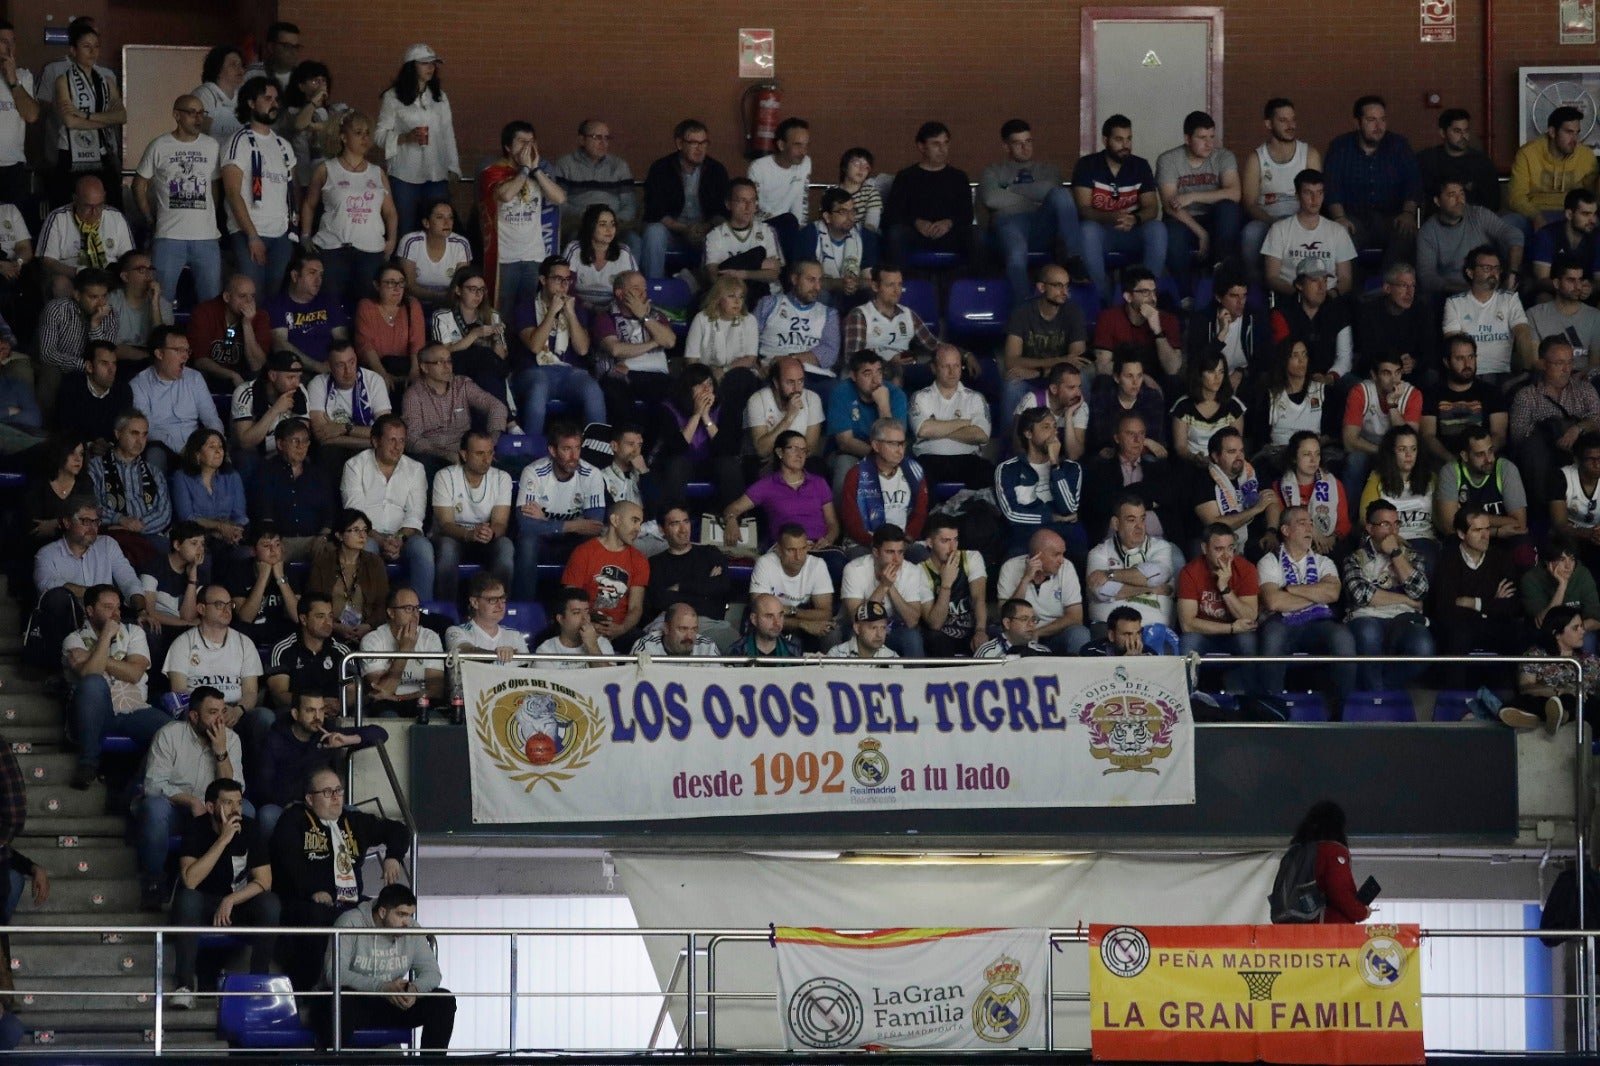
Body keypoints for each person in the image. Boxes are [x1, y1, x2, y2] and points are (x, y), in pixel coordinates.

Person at [268, 764, 409, 991]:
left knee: (391, 913)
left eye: (338, 790)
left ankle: (387, 985)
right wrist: (312, 890)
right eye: (327, 792)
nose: (335, 797)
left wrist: (393, 856)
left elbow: (399, 830)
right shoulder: (294, 819)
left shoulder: (354, 821)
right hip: (306, 900)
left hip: (350, 900)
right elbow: (287, 862)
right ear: (310, 799)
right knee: (317, 917)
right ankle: (308, 989)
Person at [169, 777, 279, 1008]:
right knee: (188, 899)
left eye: (238, 803)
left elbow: (265, 881)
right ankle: (185, 985)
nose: (235, 810)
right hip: (203, 903)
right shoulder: (196, 828)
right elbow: (190, 880)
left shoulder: (250, 827)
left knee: (270, 903)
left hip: (236, 903)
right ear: (211, 807)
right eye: (228, 803)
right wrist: (222, 840)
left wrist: (230, 900)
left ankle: (258, 982)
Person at [138, 687, 245, 910]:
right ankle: (154, 882)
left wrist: (221, 752)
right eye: (212, 713)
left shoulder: (231, 740)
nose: (220, 720)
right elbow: (153, 785)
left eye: (222, 712)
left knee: (248, 811)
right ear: (194, 716)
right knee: (154, 809)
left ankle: (231, 883)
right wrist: (192, 801)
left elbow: (234, 790)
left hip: (213, 813)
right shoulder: (170, 734)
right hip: (176, 809)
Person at [322, 883, 456, 1051]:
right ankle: (336, 1061)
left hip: (392, 1002)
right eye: (401, 914)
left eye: (410, 915)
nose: (407, 922)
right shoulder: (350, 922)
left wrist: (414, 990)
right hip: (357, 1002)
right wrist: (382, 987)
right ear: (383, 912)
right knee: (343, 999)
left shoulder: (412, 929)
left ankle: (431, 1063)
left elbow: (432, 973)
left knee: (443, 1000)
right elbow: (334, 974)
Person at [63, 584, 166, 790]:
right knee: (93, 683)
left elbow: (134, 674)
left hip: (134, 710)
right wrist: (105, 637)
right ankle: (88, 764)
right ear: (90, 611)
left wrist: (94, 657)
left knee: (173, 731)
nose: (116, 613)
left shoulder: (133, 632)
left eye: (118, 607)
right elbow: (90, 674)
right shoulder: (73, 639)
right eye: (108, 607)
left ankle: (138, 788)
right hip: (95, 716)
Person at [1255, 507, 1357, 713]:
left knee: (1342, 637)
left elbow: (1332, 594)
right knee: (1273, 637)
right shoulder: (1269, 561)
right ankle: (1272, 710)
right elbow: (1273, 602)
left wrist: (1290, 589)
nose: (1310, 528)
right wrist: (1314, 594)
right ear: (1285, 530)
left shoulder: (1323, 561)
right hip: (1280, 622)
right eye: (1302, 523)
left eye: (1311, 523)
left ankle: (1341, 712)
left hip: (1317, 623)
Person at [30, 498, 147, 670]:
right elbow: (48, 587)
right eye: (85, 521)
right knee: (57, 597)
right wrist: (97, 596)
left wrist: (142, 610)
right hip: (70, 622)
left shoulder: (107, 545)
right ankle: (58, 671)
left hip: (105, 619)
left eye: (96, 522)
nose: (92, 528)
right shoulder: (47, 554)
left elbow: (129, 581)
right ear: (67, 522)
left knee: (149, 626)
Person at [302, 111, 398, 311]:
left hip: (370, 250)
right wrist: (305, 235)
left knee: (365, 307)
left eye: (367, 133)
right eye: (358, 133)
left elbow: (390, 211)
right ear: (343, 137)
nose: (365, 138)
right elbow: (309, 204)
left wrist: (391, 239)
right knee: (331, 306)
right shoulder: (326, 169)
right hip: (333, 248)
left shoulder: (377, 172)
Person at [257, 690, 387, 836]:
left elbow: (380, 733)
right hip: (287, 806)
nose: (317, 717)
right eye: (310, 710)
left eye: (321, 710)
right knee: (268, 814)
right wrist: (293, 805)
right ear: (295, 714)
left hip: (323, 805)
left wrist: (347, 740)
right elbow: (264, 787)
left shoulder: (327, 733)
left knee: (353, 812)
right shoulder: (275, 739)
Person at [980, 118, 1082, 300]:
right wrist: (1034, 198)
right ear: (1006, 147)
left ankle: (1074, 258)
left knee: (1062, 195)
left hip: (1041, 226)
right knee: (1016, 252)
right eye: (1018, 143)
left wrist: (1008, 189)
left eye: (1028, 142)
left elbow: (1053, 193)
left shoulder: (1048, 170)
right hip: (1009, 225)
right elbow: (991, 199)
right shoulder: (992, 171)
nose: (1025, 148)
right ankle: (1025, 309)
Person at [134, 93, 222, 302]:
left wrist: (212, 216)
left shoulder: (212, 146)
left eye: (201, 113)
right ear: (176, 115)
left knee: (211, 302)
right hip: (168, 235)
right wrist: (148, 217)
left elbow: (215, 186)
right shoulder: (159, 145)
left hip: (206, 236)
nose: (198, 118)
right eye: (192, 113)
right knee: (161, 300)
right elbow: (139, 184)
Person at [1342, 499, 1435, 689]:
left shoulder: (1412, 556)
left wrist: (1395, 553)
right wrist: (1407, 600)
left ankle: (1381, 692)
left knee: (1423, 646)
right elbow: (1361, 595)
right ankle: (1377, 696)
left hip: (1403, 618)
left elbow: (1420, 590)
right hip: (1366, 617)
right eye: (1385, 524)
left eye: (1396, 523)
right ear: (1370, 528)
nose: (1393, 531)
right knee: (1369, 634)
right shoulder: (1355, 558)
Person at [1072, 114, 1166, 301]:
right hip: (1102, 232)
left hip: (1132, 230)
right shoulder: (1087, 164)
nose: (1125, 145)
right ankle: (1104, 299)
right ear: (1105, 140)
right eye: (1119, 139)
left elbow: (1152, 208)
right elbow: (1083, 208)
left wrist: (1135, 218)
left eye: (1129, 139)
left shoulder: (1140, 165)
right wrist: (1112, 217)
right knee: (1087, 230)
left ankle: (1147, 294)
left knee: (1157, 228)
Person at [511, 258, 605, 440]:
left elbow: (583, 349)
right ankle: (531, 449)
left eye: (567, 280)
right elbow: (535, 346)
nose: (563, 285)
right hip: (533, 371)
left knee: (593, 389)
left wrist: (570, 314)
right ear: (543, 280)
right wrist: (552, 312)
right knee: (538, 388)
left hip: (569, 372)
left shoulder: (575, 307)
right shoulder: (526, 307)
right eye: (557, 279)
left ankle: (596, 449)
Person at [479, 119, 565, 319]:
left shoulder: (538, 172)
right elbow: (505, 195)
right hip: (505, 257)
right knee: (502, 313)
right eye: (522, 142)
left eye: (531, 142)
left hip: (534, 256)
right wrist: (524, 170)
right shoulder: (492, 172)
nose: (528, 147)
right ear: (508, 147)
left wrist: (535, 171)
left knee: (530, 313)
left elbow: (559, 198)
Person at [1322, 95, 1423, 263]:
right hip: (1353, 218)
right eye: (1371, 120)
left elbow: (1413, 182)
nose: (1379, 126)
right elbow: (1332, 186)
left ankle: (1391, 279)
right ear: (1357, 123)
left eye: (1383, 120)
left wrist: (1408, 213)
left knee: (1407, 234)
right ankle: (1350, 280)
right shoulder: (1340, 147)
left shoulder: (1398, 145)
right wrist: (1339, 218)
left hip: (1392, 217)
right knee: (1342, 237)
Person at [340, 415, 433, 598]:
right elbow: (355, 515)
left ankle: (422, 610)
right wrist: (382, 541)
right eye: (392, 440)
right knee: (365, 547)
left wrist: (398, 539)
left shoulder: (415, 469)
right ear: (375, 441)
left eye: (402, 441)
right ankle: (366, 608)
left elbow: (415, 515)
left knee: (423, 548)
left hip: (403, 538)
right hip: (368, 535)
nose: (397, 447)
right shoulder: (355, 466)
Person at [221, 78, 296, 296]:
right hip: (249, 232)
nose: (274, 104)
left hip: (280, 234)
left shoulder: (283, 145)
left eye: (276, 99)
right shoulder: (239, 141)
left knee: (274, 297)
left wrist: (293, 229)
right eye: (267, 98)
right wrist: (252, 236)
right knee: (251, 295)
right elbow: (233, 193)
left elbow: (292, 190)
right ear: (251, 103)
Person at [513, 423, 605, 600]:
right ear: (553, 451)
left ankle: (582, 605)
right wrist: (574, 525)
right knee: (527, 541)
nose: (574, 456)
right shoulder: (534, 472)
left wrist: (544, 521)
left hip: (573, 544)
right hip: (542, 543)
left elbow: (594, 527)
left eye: (577, 448)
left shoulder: (592, 474)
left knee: (593, 543)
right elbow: (525, 525)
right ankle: (524, 607)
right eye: (567, 449)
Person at [375, 45, 461, 232]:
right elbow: (379, 135)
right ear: (411, 66)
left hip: (436, 172)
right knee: (404, 226)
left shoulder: (440, 97)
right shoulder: (393, 97)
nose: (430, 67)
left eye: (433, 64)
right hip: (404, 174)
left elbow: (448, 133)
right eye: (424, 63)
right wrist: (404, 137)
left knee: (437, 226)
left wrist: (453, 166)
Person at [1239, 97, 1323, 286]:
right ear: (1268, 124)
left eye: (1293, 119)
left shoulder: (1309, 154)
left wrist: (1294, 224)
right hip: (1267, 221)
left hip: (1301, 219)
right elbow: (1250, 203)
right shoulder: (1256, 158)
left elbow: (1316, 196)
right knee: (1251, 233)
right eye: (1283, 120)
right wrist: (1274, 224)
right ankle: (1255, 289)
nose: (1290, 125)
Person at [1510, 337, 1600, 505]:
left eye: (1570, 362)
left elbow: (1597, 417)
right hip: (1545, 457)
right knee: (1533, 447)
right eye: (1559, 363)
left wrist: (1577, 428)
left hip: (1583, 453)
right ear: (1543, 364)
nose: (1566, 369)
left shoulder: (1584, 389)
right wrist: (1549, 429)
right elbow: (1518, 436)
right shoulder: (1527, 396)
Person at [1156, 110, 1241, 287]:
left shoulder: (1224, 156)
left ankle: (1220, 274)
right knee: (1172, 232)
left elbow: (1234, 193)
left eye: (1211, 137)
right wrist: (1201, 233)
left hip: (1214, 218)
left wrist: (1193, 196)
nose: (1209, 144)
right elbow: (1170, 205)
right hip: (1183, 221)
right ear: (1187, 139)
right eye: (1202, 138)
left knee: (1229, 209)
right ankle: (1185, 294)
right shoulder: (1168, 159)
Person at [1001, 264, 1089, 433]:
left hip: (1055, 377)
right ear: (1042, 287)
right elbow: (1011, 361)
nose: (1064, 291)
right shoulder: (1022, 313)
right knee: (1012, 384)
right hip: (1029, 377)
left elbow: (1077, 361)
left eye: (1066, 286)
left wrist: (1040, 372)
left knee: (1083, 378)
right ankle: (1010, 445)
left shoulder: (1074, 312)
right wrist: (1060, 360)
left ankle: (1080, 440)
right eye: (1058, 286)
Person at [1432, 506, 1529, 658]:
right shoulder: (1447, 560)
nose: (1485, 536)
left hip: (1494, 627)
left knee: (1517, 634)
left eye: (1487, 529)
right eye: (1477, 530)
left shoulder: (1501, 558)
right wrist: (1492, 603)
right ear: (1461, 534)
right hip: (1459, 630)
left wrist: (1473, 603)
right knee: (1456, 635)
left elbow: (1512, 606)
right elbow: (1446, 608)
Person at [430, 430, 513, 606]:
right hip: (452, 537)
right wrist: (469, 534)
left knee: (505, 546)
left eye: (490, 453)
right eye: (480, 453)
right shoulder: (445, 476)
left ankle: (498, 607)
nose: (487, 459)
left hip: (485, 540)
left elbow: (500, 523)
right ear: (464, 454)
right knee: (447, 548)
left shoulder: (501, 478)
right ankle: (446, 609)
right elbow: (445, 524)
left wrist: (490, 533)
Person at [640, 118, 729, 278]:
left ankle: (713, 287)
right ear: (680, 144)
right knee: (654, 232)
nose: (700, 148)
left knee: (725, 231)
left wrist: (706, 227)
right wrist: (684, 229)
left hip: (704, 231)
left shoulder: (716, 170)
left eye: (704, 143)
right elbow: (654, 210)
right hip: (672, 231)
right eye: (694, 143)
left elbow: (722, 210)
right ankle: (655, 286)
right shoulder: (661, 168)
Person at [1177, 522, 1261, 691]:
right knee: (1188, 642)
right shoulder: (1190, 572)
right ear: (1204, 548)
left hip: (1236, 635)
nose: (1226, 556)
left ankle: (1252, 700)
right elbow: (1187, 624)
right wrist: (1231, 628)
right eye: (1219, 549)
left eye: (1230, 548)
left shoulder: (1246, 569)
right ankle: (1187, 700)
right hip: (1205, 634)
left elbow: (1250, 617)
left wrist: (1224, 588)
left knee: (1247, 641)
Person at [49, 22, 124, 208]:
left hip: (102, 152)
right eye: (86, 46)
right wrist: (105, 121)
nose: (93, 52)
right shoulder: (63, 81)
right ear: (73, 50)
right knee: (68, 208)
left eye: (96, 46)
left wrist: (84, 115)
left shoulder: (107, 81)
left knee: (110, 207)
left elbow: (122, 117)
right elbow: (70, 121)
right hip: (70, 154)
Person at [402, 342, 507, 472]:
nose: (447, 367)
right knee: (423, 465)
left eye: (449, 361)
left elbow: (496, 406)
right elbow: (412, 438)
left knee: (503, 465)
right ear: (424, 367)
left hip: (466, 453)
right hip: (434, 455)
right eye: (440, 362)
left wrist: (490, 442)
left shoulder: (462, 385)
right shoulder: (414, 395)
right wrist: (445, 454)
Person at [994, 406, 1084, 556]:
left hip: (1063, 534)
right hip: (1025, 535)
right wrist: (1052, 517)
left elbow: (1068, 509)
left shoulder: (1070, 468)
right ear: (1028, 433)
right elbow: (1012, 514)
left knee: (1078, 550)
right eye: (1046, 427)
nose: (1053, 433)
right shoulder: (1007, 469)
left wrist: (1055, 465)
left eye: (1055, 427)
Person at [561, 501, 649, 648]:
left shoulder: (639, 559)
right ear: (615, 520)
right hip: (584, 625)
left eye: (640, 523)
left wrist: (621, 629)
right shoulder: (583, 552)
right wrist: (588, 624)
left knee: (645, 645)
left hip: (620, 629)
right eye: (634, 521)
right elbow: (571, 599)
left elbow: (635, 607)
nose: (638, 529)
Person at [89, 409, 172, 567]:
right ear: (118, 434)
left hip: (148, 534)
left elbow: (164, 513)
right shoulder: (96, 467)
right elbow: (91, 506)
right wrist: (119, 519)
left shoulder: (153, 472)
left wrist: (135, 526)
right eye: (134, 433)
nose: (140, 441)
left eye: (144, 435)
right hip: (110, 534)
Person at [1415, 179, 1524, 297]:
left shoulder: (1478, 215)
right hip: (1453, 295)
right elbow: (1427, 276)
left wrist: (1512, 272)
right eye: (1452, 195)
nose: (1459, 200)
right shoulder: (1427, 233)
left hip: (1492, 288)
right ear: (1437, 201)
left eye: (1461, 193)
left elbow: (1513, 235)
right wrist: (1471, 290)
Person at [1342, 352, 1423, 511]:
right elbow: (1349, 441)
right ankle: (1349, 519)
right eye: (1387, 373)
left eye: (1397, 372)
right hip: (1368, 447)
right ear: (1374, 375)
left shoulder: (1412, 394)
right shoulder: (1360, 392)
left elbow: (1410, 439)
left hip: (1398, 450)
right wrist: (1383, 451)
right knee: (1354, 461)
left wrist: (1392, 405)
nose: (1394, 379)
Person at [1085, 495, 1180, 630]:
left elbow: (1157, 576)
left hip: (1154, 627)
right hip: (1110, 629)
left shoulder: (1162, 547)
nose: (1139, 526)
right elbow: (1102, 591)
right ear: (1116, 523)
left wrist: (1110, 574)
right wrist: (1151, 589)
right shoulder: (1098, 552)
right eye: (1131, 520)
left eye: (1142, 519)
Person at [1441, 245, 1534, 381]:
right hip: (1469, 374)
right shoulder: (1455, 303)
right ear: (1470, 273)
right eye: (1487, 268)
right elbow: (1453, 344)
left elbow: (1522, 332)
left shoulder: (1510, 299)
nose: (1493, 273)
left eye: (1496, 268)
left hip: (1503, 373)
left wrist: (1528, 370)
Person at [1082, 412, 1179, 541]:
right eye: (1130, 434)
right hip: (1114, 540)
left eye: (1141, 433)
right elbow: (1103, 506)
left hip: (1154, 539)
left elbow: (1169, 502)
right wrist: (1148, 500)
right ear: (1117, 438)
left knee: (1177, 554)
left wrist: (1124, 496)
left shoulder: (1158, 467)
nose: (1137, 440)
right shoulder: (1101, 468)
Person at [656, 364, 741, 508]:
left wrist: (706, 417)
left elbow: (726, 449)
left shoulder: (723, 408)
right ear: (688, 388)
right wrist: (696, 415)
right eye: (700, 385)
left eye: (709, 383)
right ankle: (674, 517)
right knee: (676, 465)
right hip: (683, 464)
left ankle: (733, 517)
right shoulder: (669, 408)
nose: (707, 389)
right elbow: (676, 449)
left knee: (729, 465)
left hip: (712, 464)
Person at [839, 524, 931, 657]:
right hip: (863, 631)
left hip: (894, 631)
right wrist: (883, 586)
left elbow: (912, 621)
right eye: (890, 552)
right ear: (876, 552)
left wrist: (890, 587)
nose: (897, 559)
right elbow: (857, 619)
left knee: (912, 637)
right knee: (854, 633)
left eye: (900, 552)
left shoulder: (912, 571)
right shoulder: (854, 569)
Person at [593, 269, 677, 416]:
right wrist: (654, 343)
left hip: (655, 374)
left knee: (673, 392)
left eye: (645, 289)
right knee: (615, 392)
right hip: (620, 374)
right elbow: (616, 350)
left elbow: (670, 342)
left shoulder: (655, 315)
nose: (643, 294)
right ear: (620, 293)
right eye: (636, 289)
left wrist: (644, 316)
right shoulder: (605, 316)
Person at [1260, 169, 1356, 297]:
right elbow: (1272, 277)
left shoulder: (1338, 231)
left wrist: (1330, 295)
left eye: (1319, 193)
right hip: (1292, 298)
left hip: (1329, 299)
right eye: (1308, 193)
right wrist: (1300, 295)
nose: (1315, 199)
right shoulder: (1279, 229)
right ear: (1297, 195)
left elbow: (1345, 278)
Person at [995, 528, 1091, 654]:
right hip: (1020, 634)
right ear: (1038, 555)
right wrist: (1026, 579)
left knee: (1080, 633)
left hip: (1056, 633)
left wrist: (1038, 632)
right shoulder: (1010, 567)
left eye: (1063, 554)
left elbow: (1075, 617)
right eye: (1056, 554)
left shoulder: (1066, 568)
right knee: (996, 632)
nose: (1061, 560)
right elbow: (1005, 616)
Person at [909, 345, 993, 489]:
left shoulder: (975, 398)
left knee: (988, 472)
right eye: (946, 366)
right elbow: (923, 430)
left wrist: (937, 428)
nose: (952, 371)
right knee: (916, 476)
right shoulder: (921, 397)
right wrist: (966, 422)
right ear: (934, 368)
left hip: (967, 460)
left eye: (956, 366)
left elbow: (982, 435)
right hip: (929, 459)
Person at [35, 267, 117, 412]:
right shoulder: (57, 309)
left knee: (106, 372)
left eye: (104, 296)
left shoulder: (110, 315)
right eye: (93, 297)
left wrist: (95, 325)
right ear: (77, 295)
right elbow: (47, 354)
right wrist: (83, 365)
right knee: (51, 373)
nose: (100, 303)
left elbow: (106, 355)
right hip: (58, 365)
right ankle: (47, 422)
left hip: (89, 369)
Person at [840, 417, 928, 549]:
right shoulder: (856, 475)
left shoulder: (914, 471)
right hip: (866, 543)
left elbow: (920, 513)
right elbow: (851, 519)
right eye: (893, 444)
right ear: (876, 445)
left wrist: (906, 539)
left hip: (904, 542)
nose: (900, 450)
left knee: (921, 556)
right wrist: (877, 545)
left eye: (902, 444)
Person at [1359, 425, 1438, 572]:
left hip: (1422, 538)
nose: (1409, 455)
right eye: (1402, 449)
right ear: (1392, 452)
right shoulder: (1378, 478)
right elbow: (1365, 516)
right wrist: (1392, 538)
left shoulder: (1431, 478)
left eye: (1413, 449)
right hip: (1386, 538)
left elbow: (1441, 516)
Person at [1434, 425, 1529, 543]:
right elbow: (1450, 528)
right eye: (1480, 454)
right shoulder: (1451, 472)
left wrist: (1466, 519)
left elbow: (1519, 525)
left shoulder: (1506, 468)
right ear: (1465, 456)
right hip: (1467, 543)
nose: (1488, 459)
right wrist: (1497, 531)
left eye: (1490, 451)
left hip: (1504, 542)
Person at [1508, 105, 1598, 230]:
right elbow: (1516, 196)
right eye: (1569, 132)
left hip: (1573, 214)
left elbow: (1593, 193)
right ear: (1552, 132)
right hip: (1536, 211)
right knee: (1509, 223)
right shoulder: (1528, 153)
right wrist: (1535, 216)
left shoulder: (1585, 155)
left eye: (1577, 133)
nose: (1574, 139)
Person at [747, 525, 836, 651]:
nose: (798, 556)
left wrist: (792, 611)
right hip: (775, 626)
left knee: (831, 632)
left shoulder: (817, 565)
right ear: (779, 549)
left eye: (803, 548)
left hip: (800, 622)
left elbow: (826, 614)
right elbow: (760, 616)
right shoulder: (765, 564)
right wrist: (802, 624)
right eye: (791, 550)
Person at [1421, 334, 1506, 465]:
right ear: (1447, 362)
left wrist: (1480, 457)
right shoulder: (1432, 394)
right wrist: (1452, 460)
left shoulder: (1492, 393)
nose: (1467, 364)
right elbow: (1428, 436)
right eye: (1460, 358)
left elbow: (1499, 435)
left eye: (1471, 357)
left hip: (1483, 461)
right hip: (1445, 461)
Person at [307, 339, 393, 468]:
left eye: (351, 362)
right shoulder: (318, 384)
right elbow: (322, 436)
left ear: (356, 359)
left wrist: (344, 428)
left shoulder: (374, 380)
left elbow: (385, 431)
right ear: (329, 366)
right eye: (340, 365)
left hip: (363, 447)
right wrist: (372, 442)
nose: (348, 371)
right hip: (338, 450)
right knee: (326, 453)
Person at [828, 351, 909, 488]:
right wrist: (880, 456)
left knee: (908, 468)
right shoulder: (841, 392)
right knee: (844, 466)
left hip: (889, 453)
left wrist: (883, 406)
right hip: (850, 453)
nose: (876, 380)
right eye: (867, 374)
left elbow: (895, 441)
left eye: (879, 372)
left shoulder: (896, 395)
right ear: (854, 376)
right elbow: (845, 442)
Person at [361, 586, 446, 713]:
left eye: (417, 608)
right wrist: (405, 650)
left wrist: (398, 699)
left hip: (421, 704)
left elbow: (435, 690)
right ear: (391, 612)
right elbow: (379, 692)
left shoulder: (430, 638)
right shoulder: (372, 640)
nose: (415, 615)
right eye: (408, 609)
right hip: (386, 707)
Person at [310, 509, 390, 646]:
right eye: (355, 530)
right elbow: (313, 602)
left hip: (367, 634)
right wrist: (334, 626)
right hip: (328, 632)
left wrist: (368, 626)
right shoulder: (323, 563)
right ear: (339, 535)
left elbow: (382, 604)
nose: (362, 535)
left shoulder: (375, 563)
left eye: (365, 530)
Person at [1264, 431, 1349, 557]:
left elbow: (1344, 524)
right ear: (1294, 458)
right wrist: (1310, 531)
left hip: (1326, 547)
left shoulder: (1334, 484)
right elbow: (1281, 523)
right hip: (1292, 546)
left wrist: (1332, 539)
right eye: (1306, 454)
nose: (1313, 460)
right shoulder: (1279, 486)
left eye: (1317, 454)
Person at [755, 259, 841, 383]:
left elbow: (829, 354)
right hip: (773, 373)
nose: (817, 287)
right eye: (811, 280)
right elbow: (750, 340)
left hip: (813, 376)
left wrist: (789, 359)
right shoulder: (769, 304)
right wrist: (757, 367)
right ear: (795, 279)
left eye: (820, 280)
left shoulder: (829, 313)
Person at [1269, 259, 1354, 383]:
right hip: (1291, 379)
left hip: (1329, 379)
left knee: (1352, 384)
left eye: (1325, 280)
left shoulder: (1338, 311)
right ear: (1299, 285)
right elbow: (1281, 357)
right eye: (1314, 281)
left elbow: (1344, 358)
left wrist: (1329, 377)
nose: (1322, 287)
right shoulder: (1282, 312)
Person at [265, 594, 353, 712]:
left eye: (330, 616)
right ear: (304, 619)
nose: (328, 622)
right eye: (320, 616)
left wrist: (339, 705)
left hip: (334, 713)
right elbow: (279, 695)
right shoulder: (283, 649)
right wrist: (317, 706)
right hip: (295, 714)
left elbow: (352, 691)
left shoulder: (342, 651)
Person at [1353, 263, 1437, 387]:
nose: (1410, 292)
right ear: (1387, 288)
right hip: (1378, 371)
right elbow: (1366, 353)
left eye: (1413, 286)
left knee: (1431, 376)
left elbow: (1429, 350)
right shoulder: (1369, 311)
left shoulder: (1421, 310)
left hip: (1410, 374)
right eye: (1403, 286)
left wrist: (1414, 362)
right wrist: (1394, 363)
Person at [704, 177, 784, 306]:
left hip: (768, 298)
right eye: (742, 201)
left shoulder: (767, 231)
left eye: (752, 201)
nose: (748, 206)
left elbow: (773, 274)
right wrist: (758, 264)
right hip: (731, 299)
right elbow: (715, 277)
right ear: (728, 204)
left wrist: (742, 274)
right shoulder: (715, 235)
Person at [1519, 605, 1600, 732]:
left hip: (1583, 706)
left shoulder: (1591, 661)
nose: (1582, 631)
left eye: (1582, 626)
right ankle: (1552, 715)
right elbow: (1526, 688)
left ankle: (1562, 716)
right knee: (1529, 700)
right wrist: (1560, 691)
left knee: (1587, 702)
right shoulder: (1536, 655)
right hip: (1547, 700)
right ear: (1557, 634)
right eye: (1575, 628)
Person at [1091, 268, 1182, 380]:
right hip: (1122, 381)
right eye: (1145, 292)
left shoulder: (1168, 320)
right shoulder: (1108, 318)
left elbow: (1173, 369)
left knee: (1174, 382)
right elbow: (1103, 368)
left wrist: (1158, 332)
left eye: (1154, 291)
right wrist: (1141, 377)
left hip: (1158, 378)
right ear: (1128, 297)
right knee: (1103, 381)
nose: (1153, 298)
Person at [1185, 266, 1268, 390]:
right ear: (1218, 297)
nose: (1241, 302)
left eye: (1244, 295)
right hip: (1210, 383)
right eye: (1234, 296)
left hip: (1245, 383)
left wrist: (1241, 372)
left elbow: (1264, 359)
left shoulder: (1255, 318)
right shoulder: (1202, 320)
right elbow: (1197, 364)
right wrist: (1221, 336)